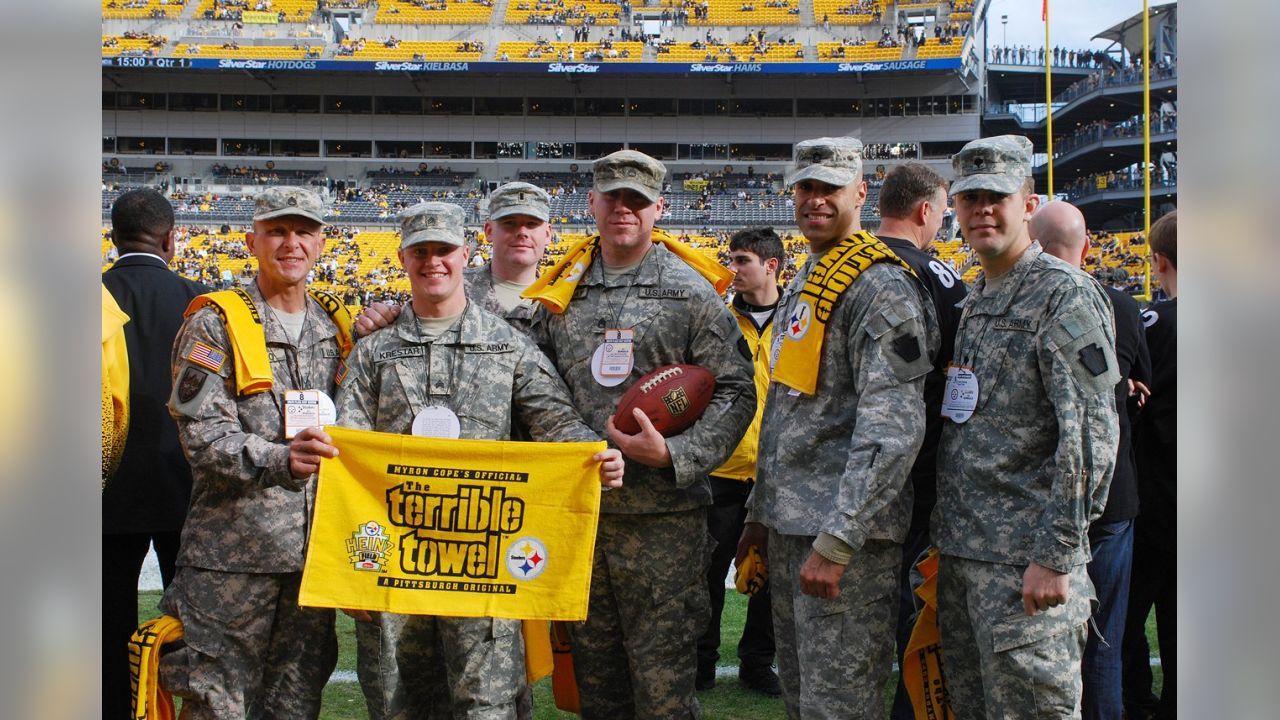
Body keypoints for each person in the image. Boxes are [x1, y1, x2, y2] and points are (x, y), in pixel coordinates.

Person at [312, 201, 624, 719]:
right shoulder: (374, 352)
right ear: (404, 259)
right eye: (421, 252)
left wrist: (595, 456)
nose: (434, 261)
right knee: (398, 704)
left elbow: (555, 423)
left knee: (487, 707)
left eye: (445, 250)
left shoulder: (508, 345)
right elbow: (347, 447)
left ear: (466, 253)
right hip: (396, 565)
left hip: (483, 564)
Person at [527, 149, 757, 719]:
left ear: (659, 208)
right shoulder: (561, 292)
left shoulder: (691, 291)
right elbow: (530, 380)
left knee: (664, 694)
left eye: (637, 200)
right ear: (593, 204)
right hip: (584, 518)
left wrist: (677, 453)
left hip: (665, 526)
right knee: (597, 690)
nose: (624, 209)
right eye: (613, 198)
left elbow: (735, 389)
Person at [739, 137, 938, 719]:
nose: (815, 199)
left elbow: (894, 427)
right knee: (805, 701)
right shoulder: (813, 274)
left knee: (840, 706)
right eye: (805, 187)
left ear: (861, 192)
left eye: (829, 187)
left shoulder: (881, 286)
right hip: (792, 523)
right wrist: (759, 512)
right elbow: (788, 407)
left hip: (842, 538)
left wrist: (841, 537)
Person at [936, 135, 1120, 718]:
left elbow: (1091, 433)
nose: (982, 209)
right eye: (969, 198)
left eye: (997, 196)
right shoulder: (978, 299)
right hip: (967, 557)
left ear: (1028, 204)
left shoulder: (1063, 295)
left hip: (1025, 567)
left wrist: (1057, 552)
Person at [159, 187, 347, 718]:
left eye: (303, 231)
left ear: (321, 243)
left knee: (296, 706)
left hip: (312, 562)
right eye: (277, 231)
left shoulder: (337, 327)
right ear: (251, 241)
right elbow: (201, 436)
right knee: (216, 704)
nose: (292, 243)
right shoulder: (215, 323)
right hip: (231, 562)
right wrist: (279, 459)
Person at [1033, 199, 1152, 720]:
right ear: (1086, 245)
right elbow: (1139, 394)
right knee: (1103, 637)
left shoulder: (1021, 301)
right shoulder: (1123, 305)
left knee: (1037, 639)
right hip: (1112, 493)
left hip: (1043, 495)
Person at [102, 187, 210, 719]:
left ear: (113, 238)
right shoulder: (199, 300)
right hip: (185, 485)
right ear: (172, 238)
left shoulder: (89, 295)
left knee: (103, 624)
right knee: (188, 625)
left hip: (102, 488)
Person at [874, 163, 969, 720]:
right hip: (922, 471)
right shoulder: (937, 276)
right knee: (920, 612)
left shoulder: (842, 268)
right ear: (927, 211)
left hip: (847, 479)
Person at [695, 227, 782, 697]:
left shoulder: (801, 318)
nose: (733, 268)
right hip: (724, 468)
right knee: (708, 572)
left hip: (778, 471)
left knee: (769, 576)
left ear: (771, 265)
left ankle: (757, 662)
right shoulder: (718, 318)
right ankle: (701, 662)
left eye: (742, 260)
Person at [1123, 210, 1177, 720]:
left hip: (1156, 501)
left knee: (1126, 619)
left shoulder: (1155, 325)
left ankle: (1138, 704)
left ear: (1158, 261)